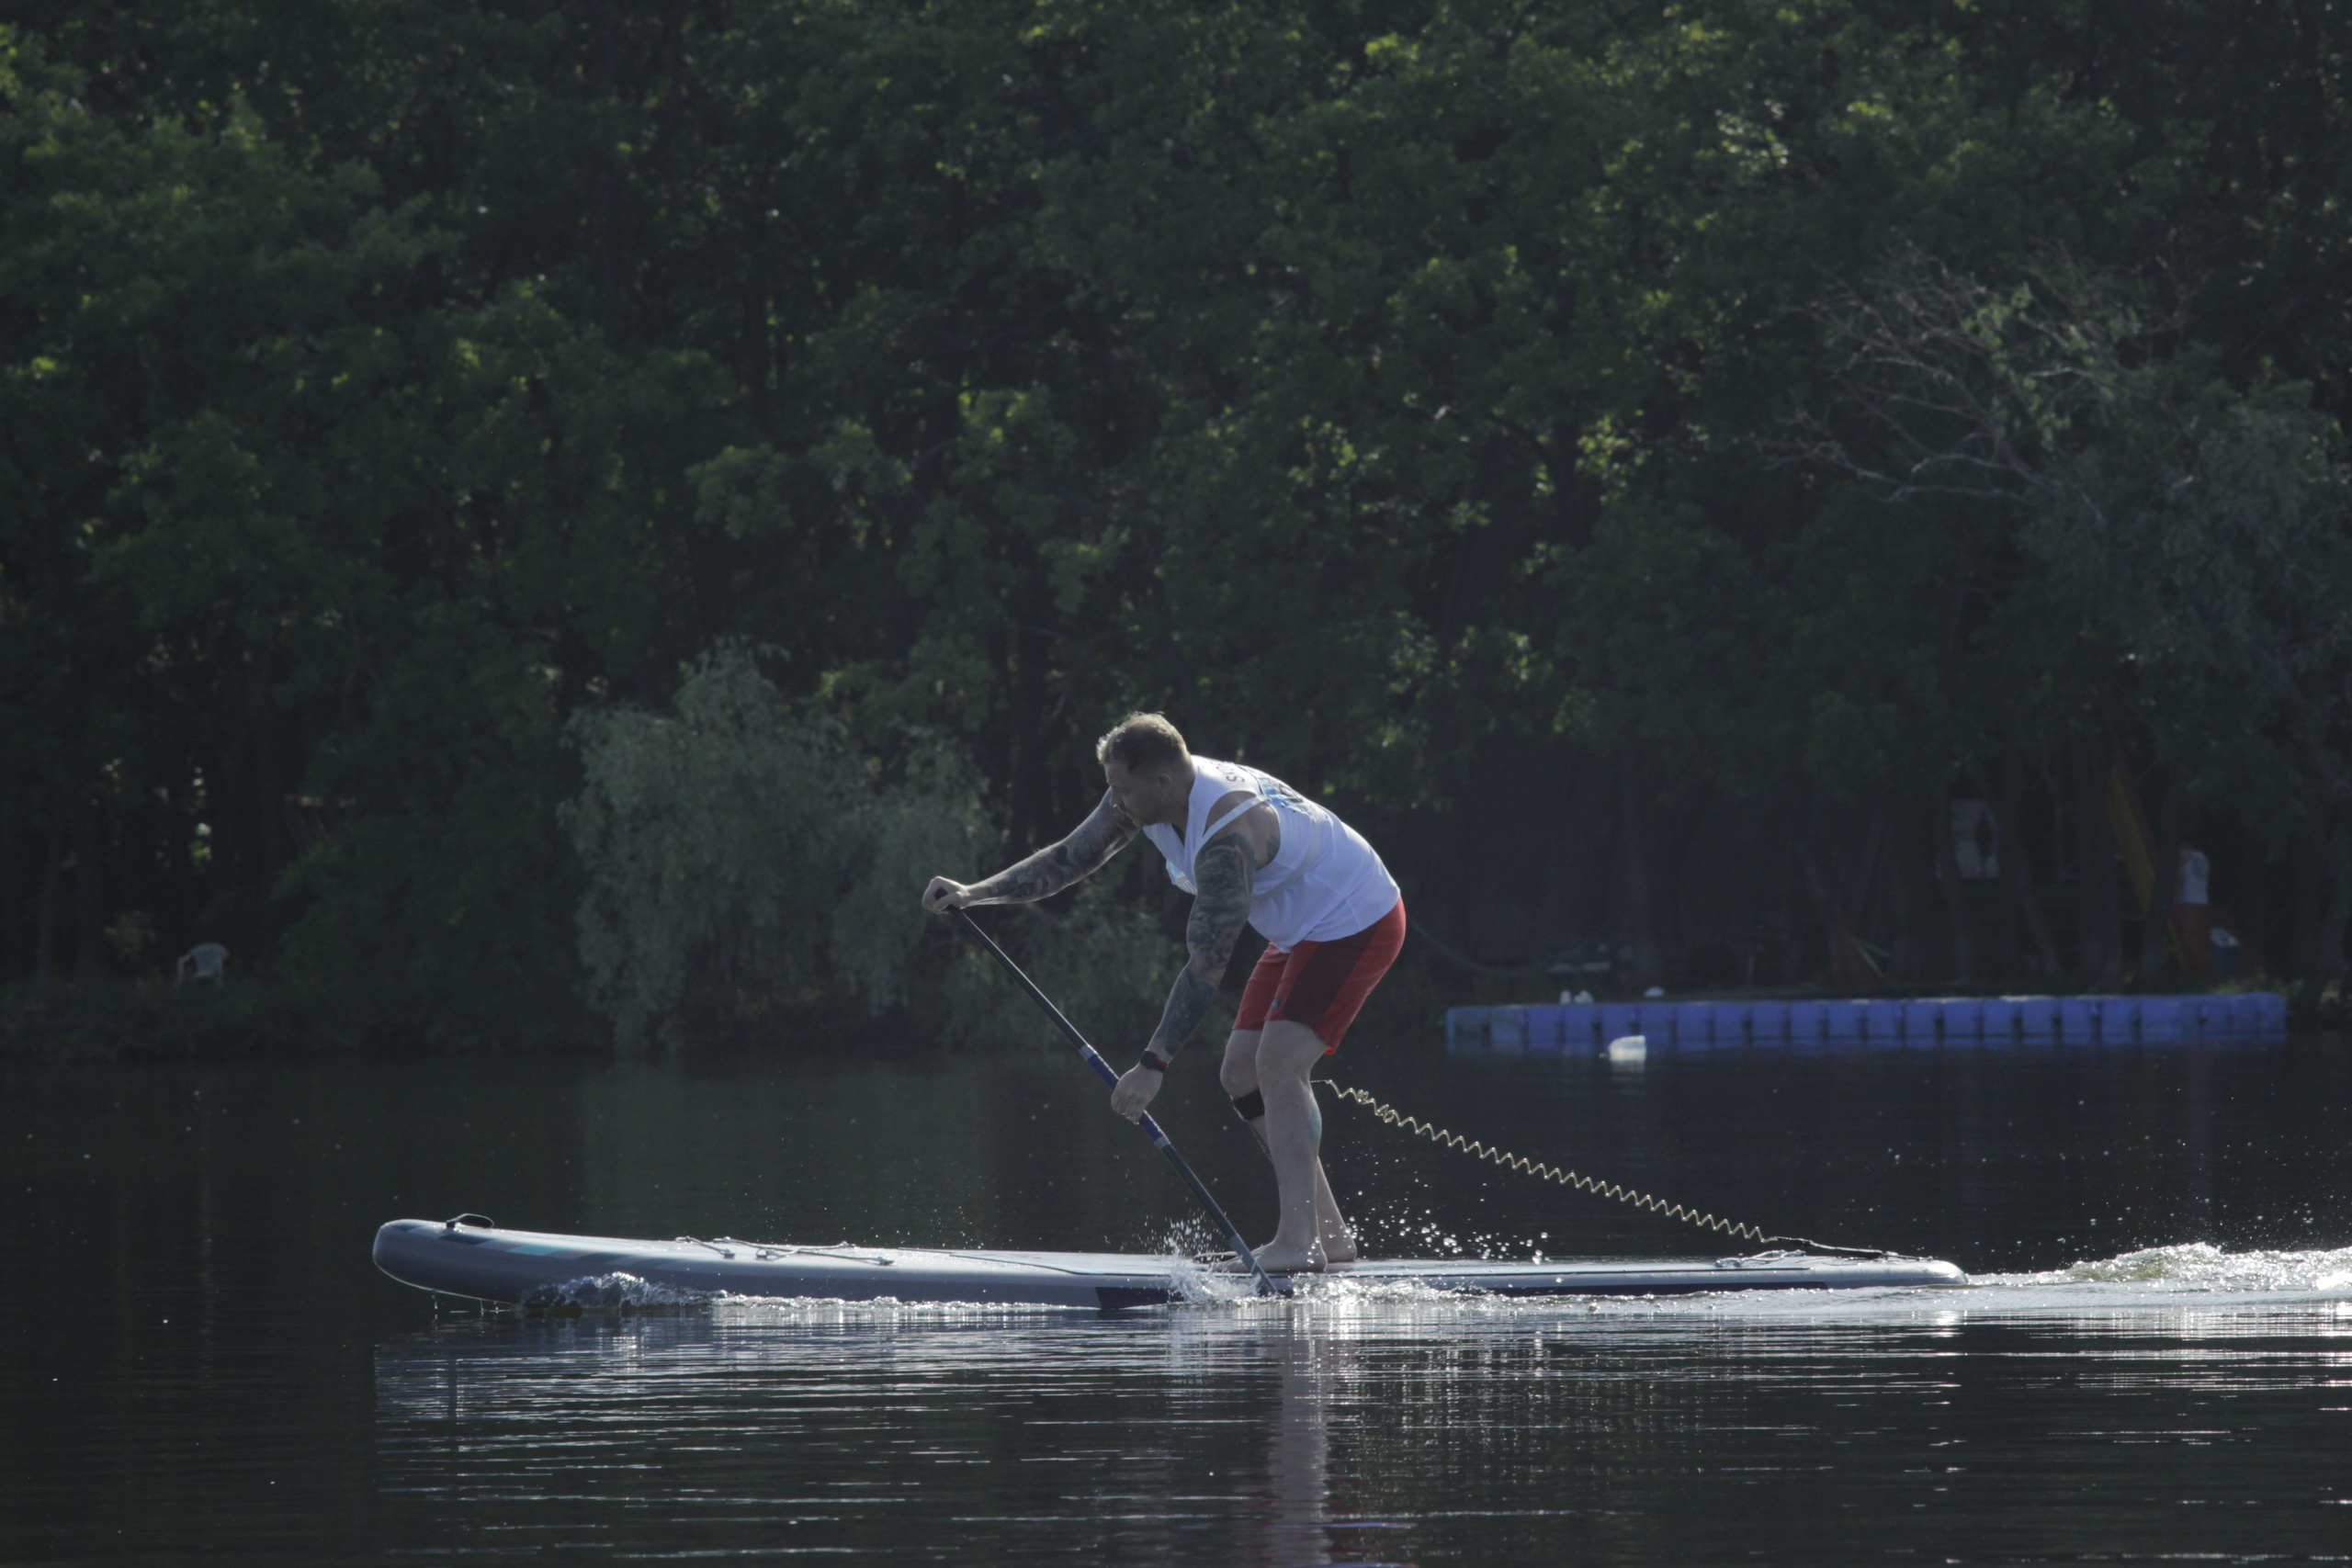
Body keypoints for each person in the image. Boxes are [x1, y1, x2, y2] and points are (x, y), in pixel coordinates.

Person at [922, 713, 1406, 1273]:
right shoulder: (1144, 797)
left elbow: (1206, 966)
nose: (1114, 801)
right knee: (1239, 1074)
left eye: (1122, 789)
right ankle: (1329, 1236)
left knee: (1278, 1064)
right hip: (1298, 930)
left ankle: (1298, 1243)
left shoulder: (1229, 833)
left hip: (1354, 919)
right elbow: (1071, 858)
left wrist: (1153, 1065)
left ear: (1162, 783)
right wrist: (973, 894)